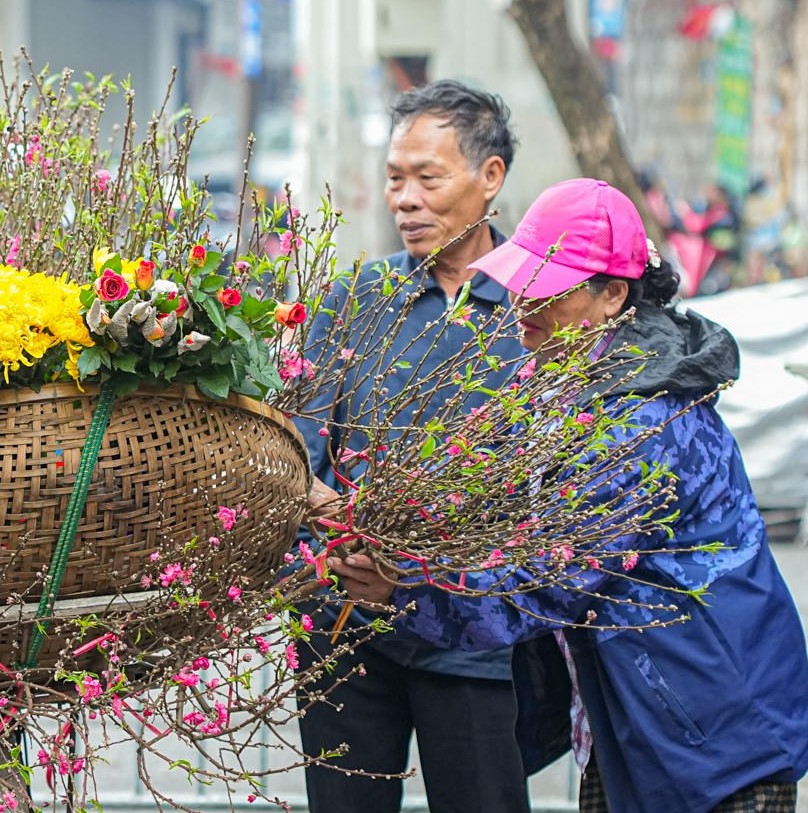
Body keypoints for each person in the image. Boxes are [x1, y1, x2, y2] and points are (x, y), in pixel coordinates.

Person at [329, 178, 808, 813]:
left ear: (613, 295)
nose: (520, 308)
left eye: (544, 292)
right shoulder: (558, 384)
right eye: (520, 285)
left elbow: (544, 580)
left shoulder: (642, 426)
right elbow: (482, 498)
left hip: (713, 741)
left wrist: (404, 588)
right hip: (632, 727)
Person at [292, 79, 530, 813]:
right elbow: (297, 444)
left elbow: (542, 488)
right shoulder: (357, 297)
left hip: (469, 633)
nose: (406, 198)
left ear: (490, 178)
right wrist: (329, 515)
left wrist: (419, 568)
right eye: (396, 178)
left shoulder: (535, 310)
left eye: (429, 177)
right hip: (342, 626)